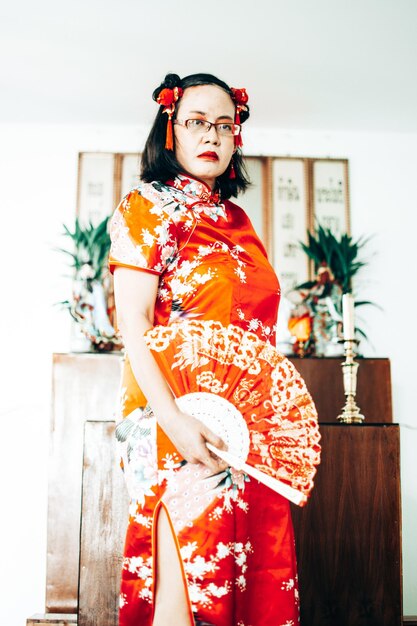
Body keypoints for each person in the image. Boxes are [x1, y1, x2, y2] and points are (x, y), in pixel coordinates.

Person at [109, 72, 300, 626]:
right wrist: (173, 421)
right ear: (171, 128)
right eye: (196, 122)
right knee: (190, 588)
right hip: (177, 419)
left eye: (225, 123)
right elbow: (134, 322)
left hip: (245, 429)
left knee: (252, 582)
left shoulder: (237, 221)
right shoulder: (148, 207)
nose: (211, 134)